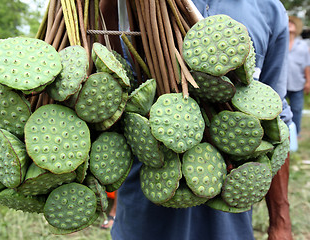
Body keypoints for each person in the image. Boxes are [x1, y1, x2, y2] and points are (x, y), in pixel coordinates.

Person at [100, 0, 293, 239]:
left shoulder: (269, 9)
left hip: (228, 222)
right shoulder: (129, 4)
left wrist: (280, 221)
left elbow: (276, 120)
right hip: (147, 209)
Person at [286, 16, 310, 137]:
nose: (289, 24)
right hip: (282, 83)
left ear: (297, 28)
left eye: (292, 23)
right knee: (280, 110)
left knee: (296, 110)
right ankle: (282, 134)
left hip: (298, 83)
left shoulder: (302, 45)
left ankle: (296, 134)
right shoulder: (280, 43)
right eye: (288, 22)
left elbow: (307, 65)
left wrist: (308, 82)